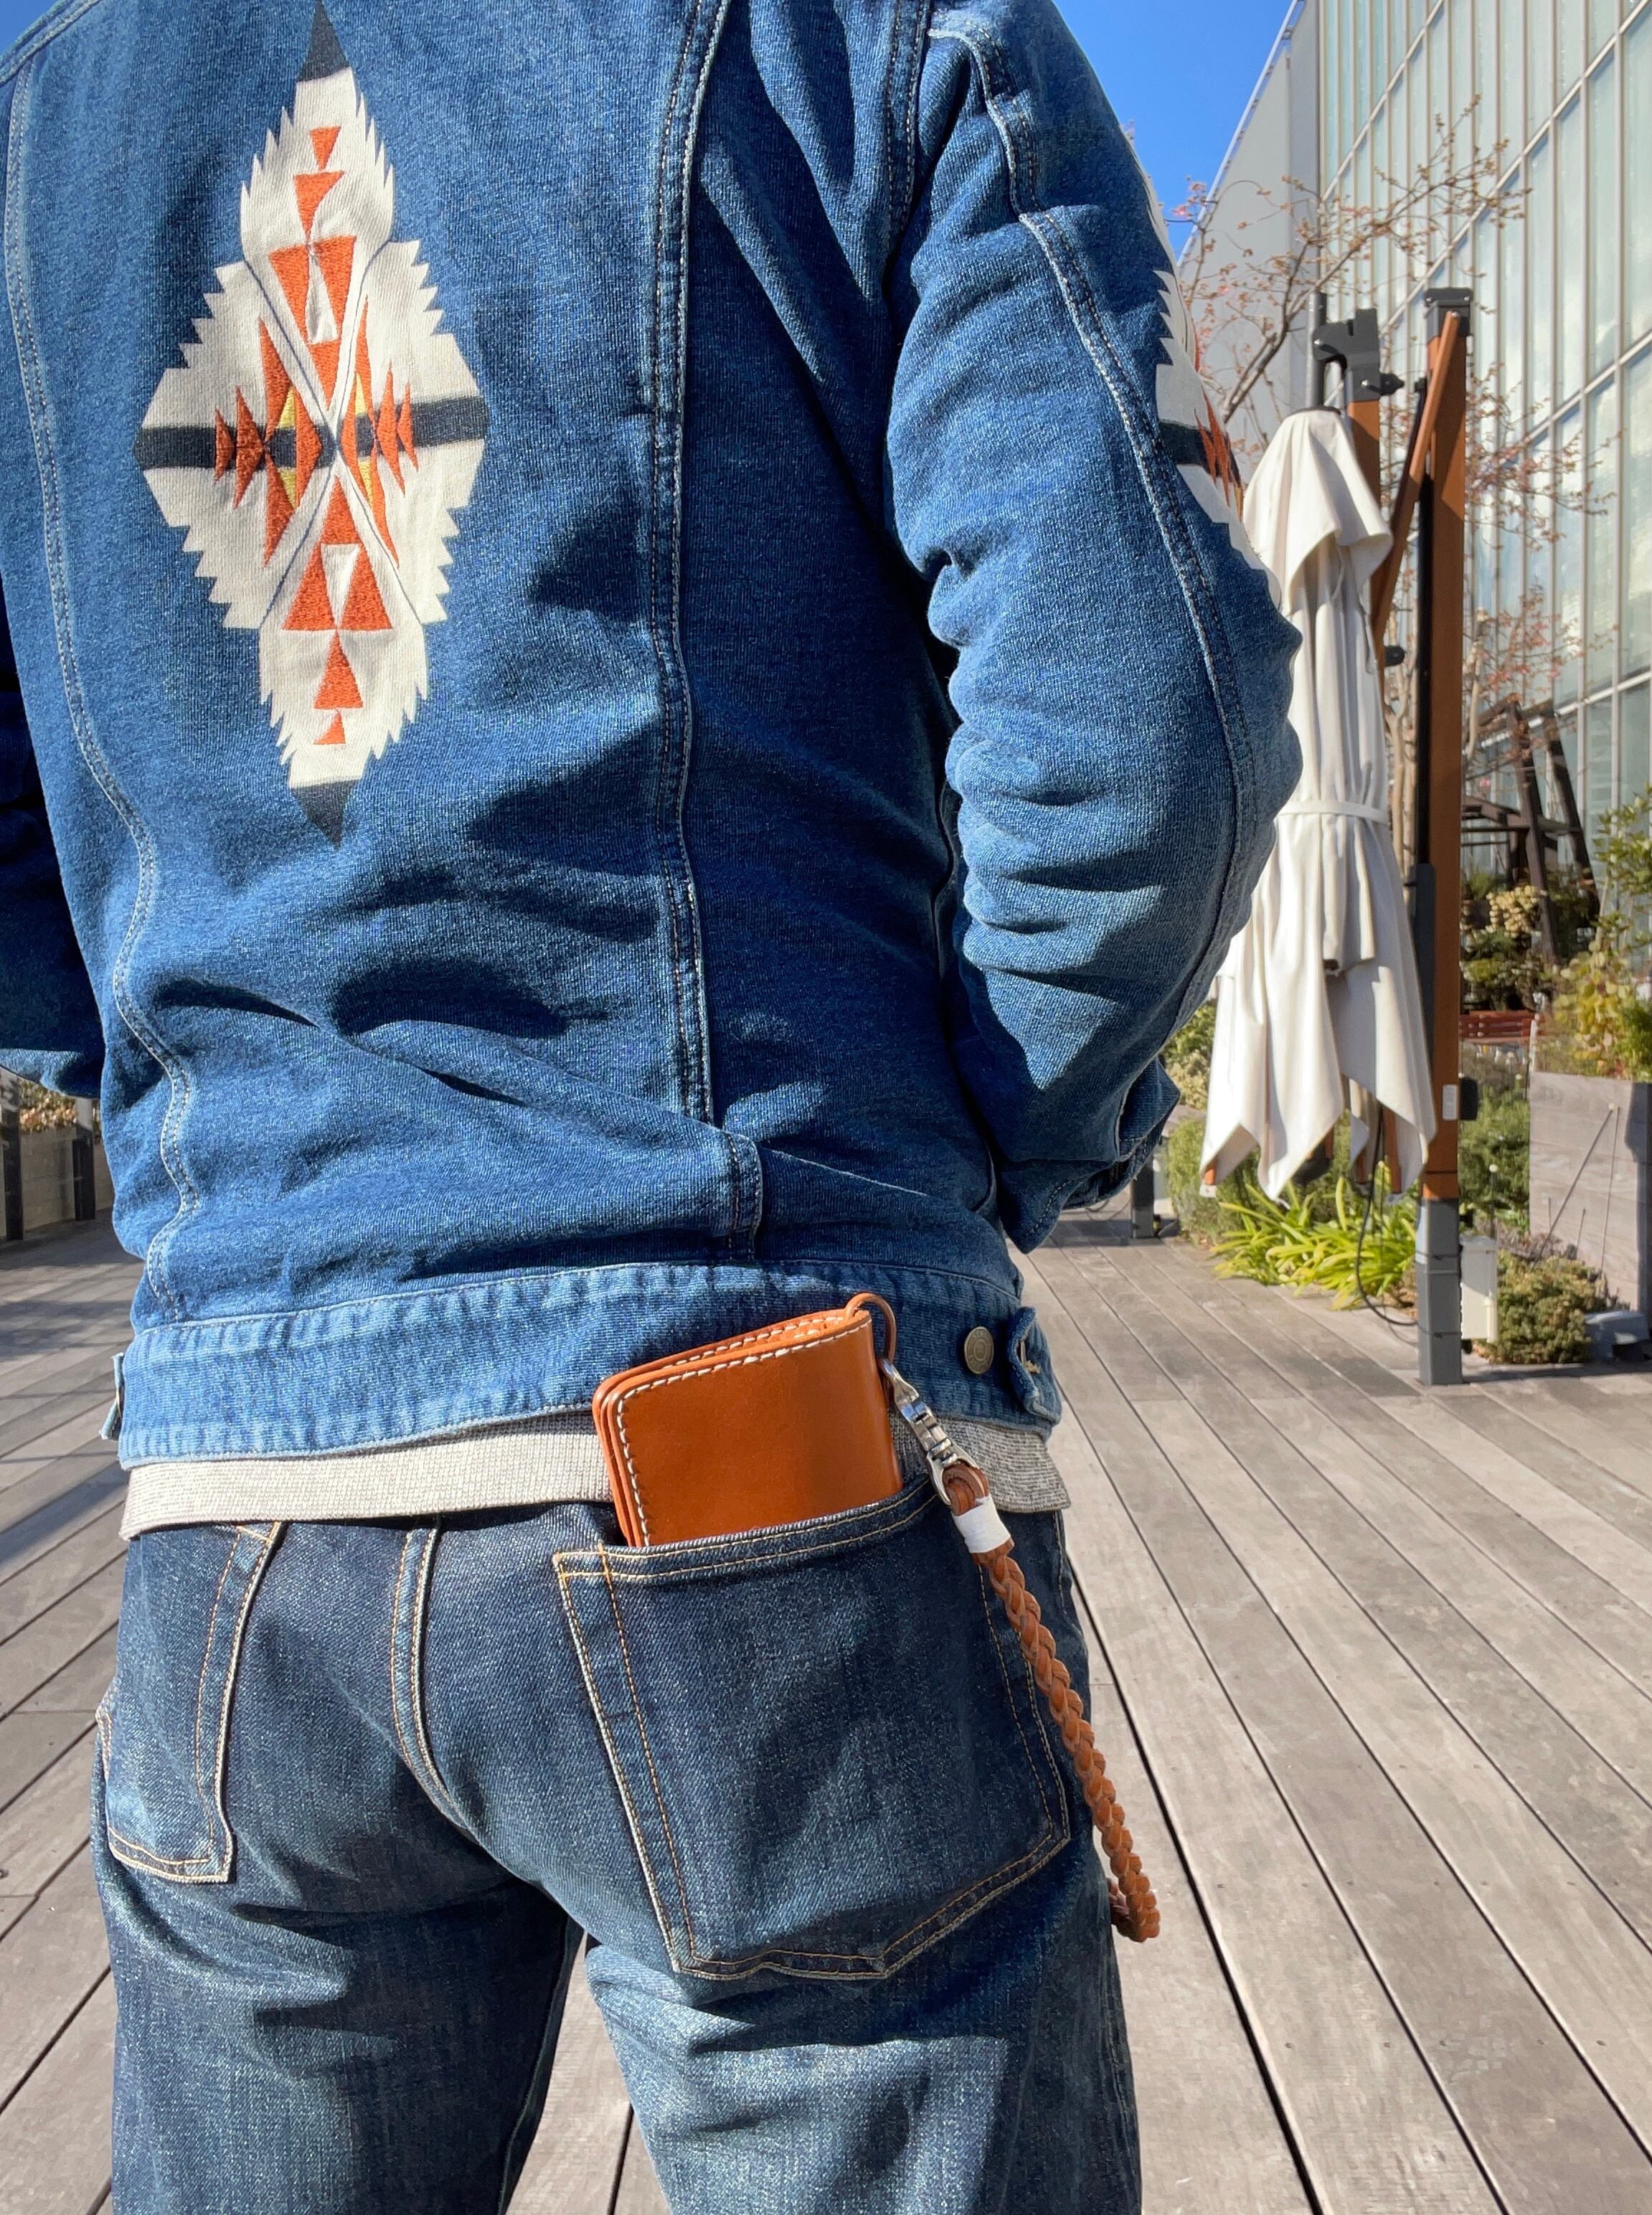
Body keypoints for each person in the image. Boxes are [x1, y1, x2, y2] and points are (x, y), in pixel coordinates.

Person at [0, 0, 1297, 2206]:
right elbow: (1146, 718)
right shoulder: (873, 34)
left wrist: (193, 1132)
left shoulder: (39, 114)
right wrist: (1000, 1133)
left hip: (238, 1488)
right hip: (757, 1424)